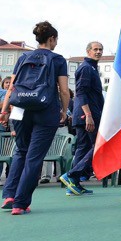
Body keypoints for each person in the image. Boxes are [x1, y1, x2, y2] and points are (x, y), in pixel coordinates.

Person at [1, 21, 70, 214]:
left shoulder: (23, 57)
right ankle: (20, 203)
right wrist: (64, 111)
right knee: (34, 156)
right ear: (52, 39)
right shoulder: (58, 59)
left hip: (20, 110)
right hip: (45, 109)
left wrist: (4, 111)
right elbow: (64, 90)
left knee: (20, 152)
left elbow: (12, 87)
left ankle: (10, 194)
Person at [60, 42, 105, 196]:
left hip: (85, 114)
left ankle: (73, 185)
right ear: (88, 51)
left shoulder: (91, 67)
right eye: (95, 49)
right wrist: (88, 115)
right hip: (87, 115)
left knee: (83, 147)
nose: (98, 52)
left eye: (100, 50)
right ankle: (72, 175)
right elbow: (81, 92)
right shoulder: (86, 68)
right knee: (98, 146)